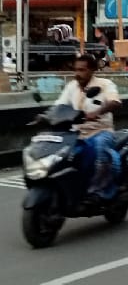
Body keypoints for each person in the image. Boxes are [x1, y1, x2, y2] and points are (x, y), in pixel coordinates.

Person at [52, 54, 122, 205]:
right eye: (76, 70)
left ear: (92, 70)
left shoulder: (105, 84)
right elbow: (60, 105)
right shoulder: (71, 86)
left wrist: (97, 112)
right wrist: (45, 116)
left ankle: (100, 190)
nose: (78, 74)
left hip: (101, 131)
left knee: (99, 147)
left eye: (82, 70)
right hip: (76, 134)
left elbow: (115, 102)